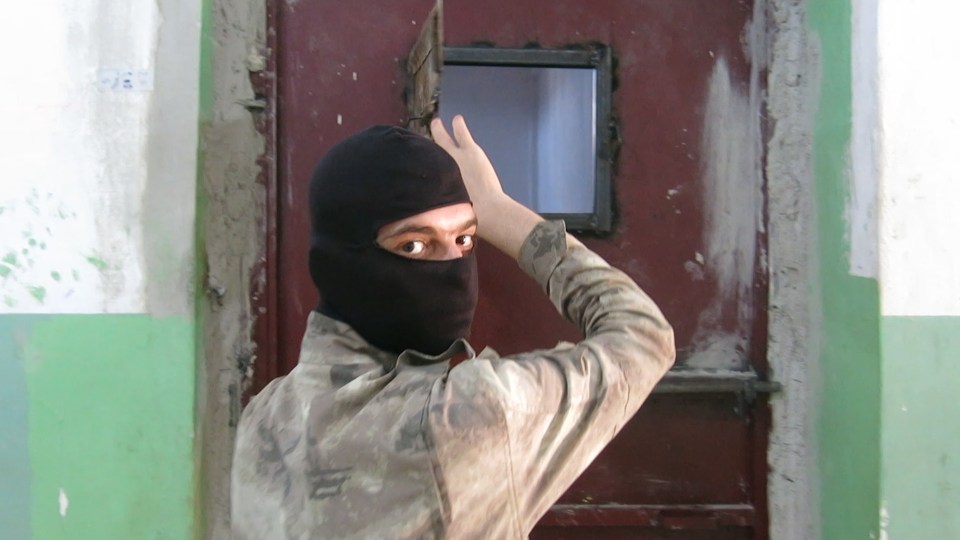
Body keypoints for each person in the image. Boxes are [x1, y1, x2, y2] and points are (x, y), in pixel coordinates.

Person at [231, 116, 675, 539]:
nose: (452, 267)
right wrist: (500, 212)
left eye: (464, 239)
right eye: (415, 243)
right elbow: (643, 336)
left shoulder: (264, 417)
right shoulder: (467, 412)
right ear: (341, 264)